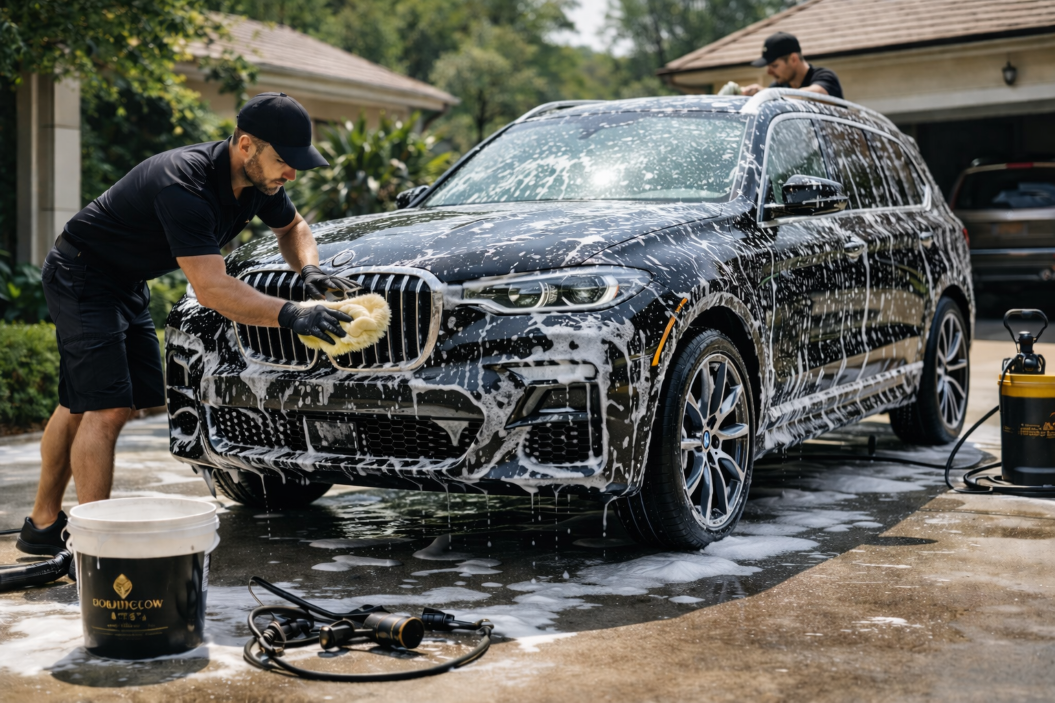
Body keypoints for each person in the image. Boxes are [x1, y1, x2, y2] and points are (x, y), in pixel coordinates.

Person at [16, 92, 359, 556]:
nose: (291, 174)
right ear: (245, 146)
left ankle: (42, 524)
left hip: (125, 279)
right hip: (82, 274)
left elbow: (293, 227)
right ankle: (94, 549)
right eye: (283, 160)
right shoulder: (184, 186)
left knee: (82, 400)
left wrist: (309, 270)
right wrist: (292, 313)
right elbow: (213, 290)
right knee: (107, 407)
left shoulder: (260, 182)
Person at [741, 32, 843, 99]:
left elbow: (816, 95)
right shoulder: (778, 86)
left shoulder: (824, 76)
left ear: (793, 59)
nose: (769, 72)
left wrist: (766, 94)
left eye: (774, 66)